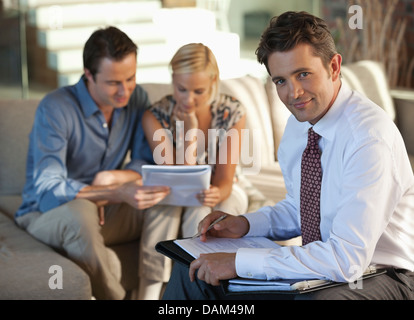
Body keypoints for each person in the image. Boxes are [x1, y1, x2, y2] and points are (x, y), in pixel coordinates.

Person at [162, 11, 414, 300]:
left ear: (334, 66)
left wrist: (238, 263)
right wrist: (244, 224)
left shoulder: (368, 138)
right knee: (193, 271)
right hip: (328, 267)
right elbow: (302, 208)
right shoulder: (299, 126)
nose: (293, 93)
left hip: (385, 274)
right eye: (280, 81)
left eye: (303, 74)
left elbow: (347, 259)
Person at [14, 26, 170, 300]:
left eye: (131, 78)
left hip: (107, 210)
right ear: (88, 74)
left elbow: (146, 161)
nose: (125, 91)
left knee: (168, 200)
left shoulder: (136, 99)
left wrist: (113, 178)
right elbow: (48, 189)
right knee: (80, 213)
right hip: (46, 213)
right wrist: (111, 192)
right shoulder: (56, 108)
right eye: (113, 83)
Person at [138, 43, 248, 299]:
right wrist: (189, 131)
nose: (188, 99)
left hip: (222, 188)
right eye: (181, 89)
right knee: (164, 209)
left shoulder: (232, 112)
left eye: (198, 91)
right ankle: (150, 290)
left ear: (213, 82)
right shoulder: (155, 116)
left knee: (211, 211)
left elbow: (225, 181)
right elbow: (179, 181)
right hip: (174, 192)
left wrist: (216, 192)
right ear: (173, 80)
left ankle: (201, 287)